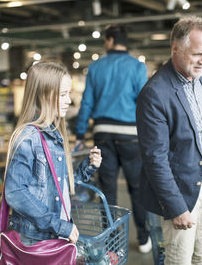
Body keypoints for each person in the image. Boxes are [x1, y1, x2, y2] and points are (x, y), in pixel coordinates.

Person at [136, 16, 202, 265]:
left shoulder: (199, 78)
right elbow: (155, 158)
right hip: (180, 189)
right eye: (198, 53)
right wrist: (175, 206)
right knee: (179, 259)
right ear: (176, 48)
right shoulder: (155, 94)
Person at [4, 61, 102, 246]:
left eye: (68, 94)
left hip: (52, 234)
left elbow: (58, 185)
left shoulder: (53, 134)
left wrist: (87, 167)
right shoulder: (29, 137)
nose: (68, 100)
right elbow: (15, 191)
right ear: (44, 95)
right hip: (36, 239)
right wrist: (58, 225)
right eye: (63, 94)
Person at [75, 24, 151, 253]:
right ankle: (144, 238)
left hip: (103, 133)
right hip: (131, 135)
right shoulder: (138, 66)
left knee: (107, 191)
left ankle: (111, 242)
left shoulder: (96, 67)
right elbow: (145, 101)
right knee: (137, 188)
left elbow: (86, 102)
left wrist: (80, 133)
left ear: (109, 41)